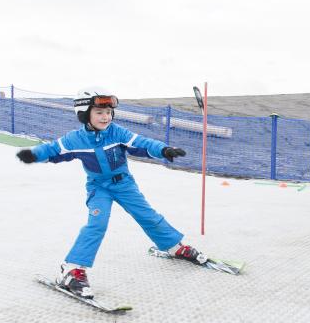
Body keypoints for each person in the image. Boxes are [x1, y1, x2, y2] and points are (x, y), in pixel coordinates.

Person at [15, 87, 204, 298]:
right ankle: (72, 270)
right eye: (99, 112)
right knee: (97, 224)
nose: (105, 117)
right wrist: (33, 155)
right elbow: (52, 150)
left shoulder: (117, 132)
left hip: (124, 185)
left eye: (108, 112)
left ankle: (172, 246)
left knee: (148, 216)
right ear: (84, 114)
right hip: (99, 187)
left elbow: (141, 143)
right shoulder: (74, 139)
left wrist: (163, 149)